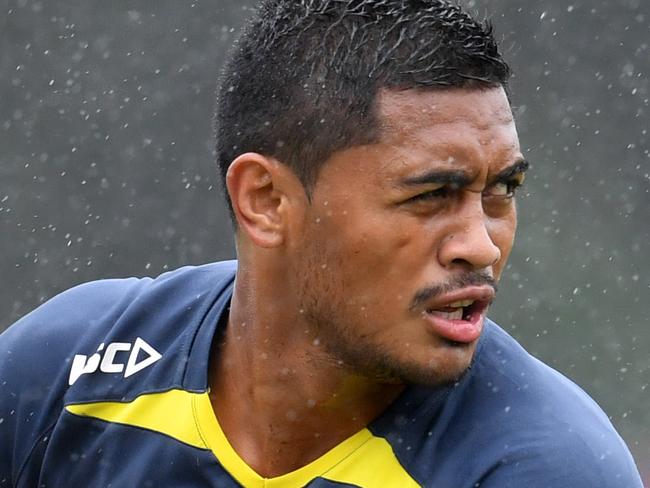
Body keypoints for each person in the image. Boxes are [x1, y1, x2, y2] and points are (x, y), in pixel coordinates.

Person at [0, 1, 643, 486]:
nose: (480, 245)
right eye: (429, 195)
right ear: (266, 200)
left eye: (501, 190)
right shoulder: (64, 373)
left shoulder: (545, 467)